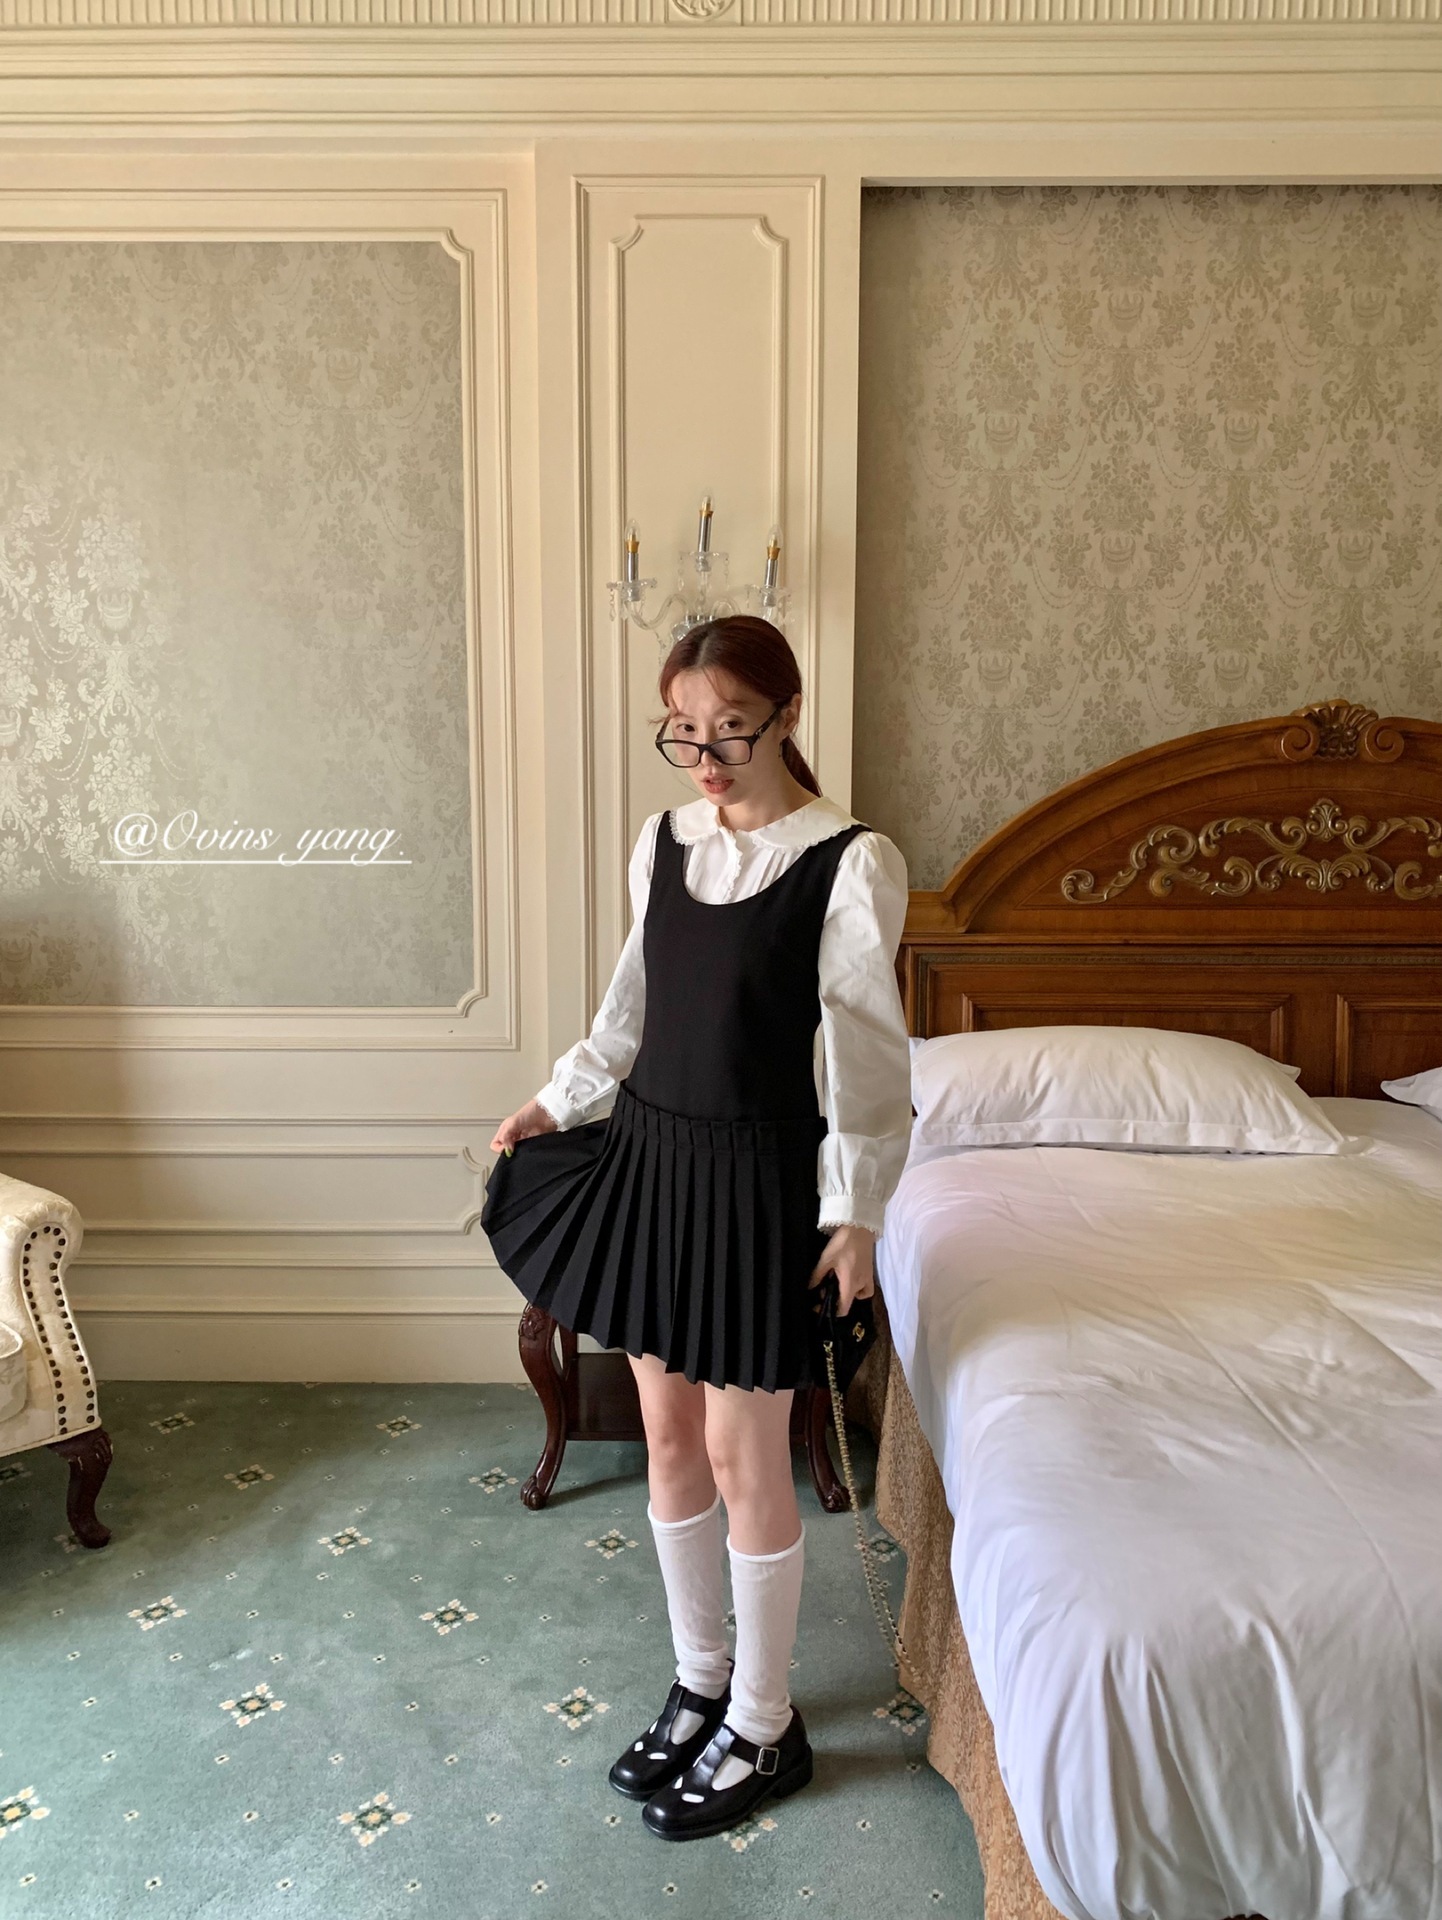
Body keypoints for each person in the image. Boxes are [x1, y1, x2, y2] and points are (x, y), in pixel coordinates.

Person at [483, 613, 912, 1842]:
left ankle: (767, 1726)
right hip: (649, 1166)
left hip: (758, 1187)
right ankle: (701, 1682)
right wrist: (555, 1100)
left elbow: (867, 1061)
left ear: (785, 716)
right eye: (682, 731)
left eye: (730, 729)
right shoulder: (662, 841)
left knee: (740, 1455)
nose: (706, 757)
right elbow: (629, 1006)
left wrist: (856, 1215)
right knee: (667, 1437)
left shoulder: (850, 862)